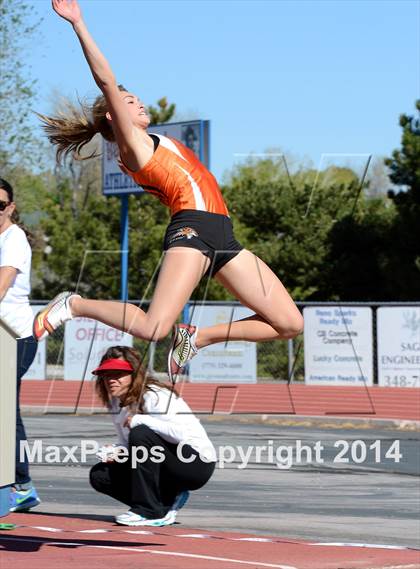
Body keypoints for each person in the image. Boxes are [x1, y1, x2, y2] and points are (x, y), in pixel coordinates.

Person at [34, 0, 304, 382]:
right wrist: (78, 24)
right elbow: (106, 81)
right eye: (130, 102)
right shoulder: (132, 146)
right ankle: (75, 304)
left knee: (290, 323)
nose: (139, 102)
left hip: (222, 235)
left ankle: (199, 336)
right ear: (114, 116)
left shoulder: (153, 138)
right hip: (190, 229)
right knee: (154, 327)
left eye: (138, 98)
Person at [89, 345, 216, 526]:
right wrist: (116, 452)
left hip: (196, 463)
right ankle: (164, 503)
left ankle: (147, 510)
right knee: (100, 474)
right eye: (107, 374)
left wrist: (141, 420)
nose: (111, 380)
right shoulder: (116, 403)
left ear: (135, 374)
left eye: (118, 374)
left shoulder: (155, 396)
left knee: (140, 432)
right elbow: (129, 444)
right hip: (165, 460)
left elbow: (180, 434)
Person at [0, 178, 40, 512]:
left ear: (10, 207)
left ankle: (21, 484)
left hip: (16, 337)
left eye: (0, 205)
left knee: (4, 413)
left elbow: (2, 286)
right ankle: (20, 483)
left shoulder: (14, 240)